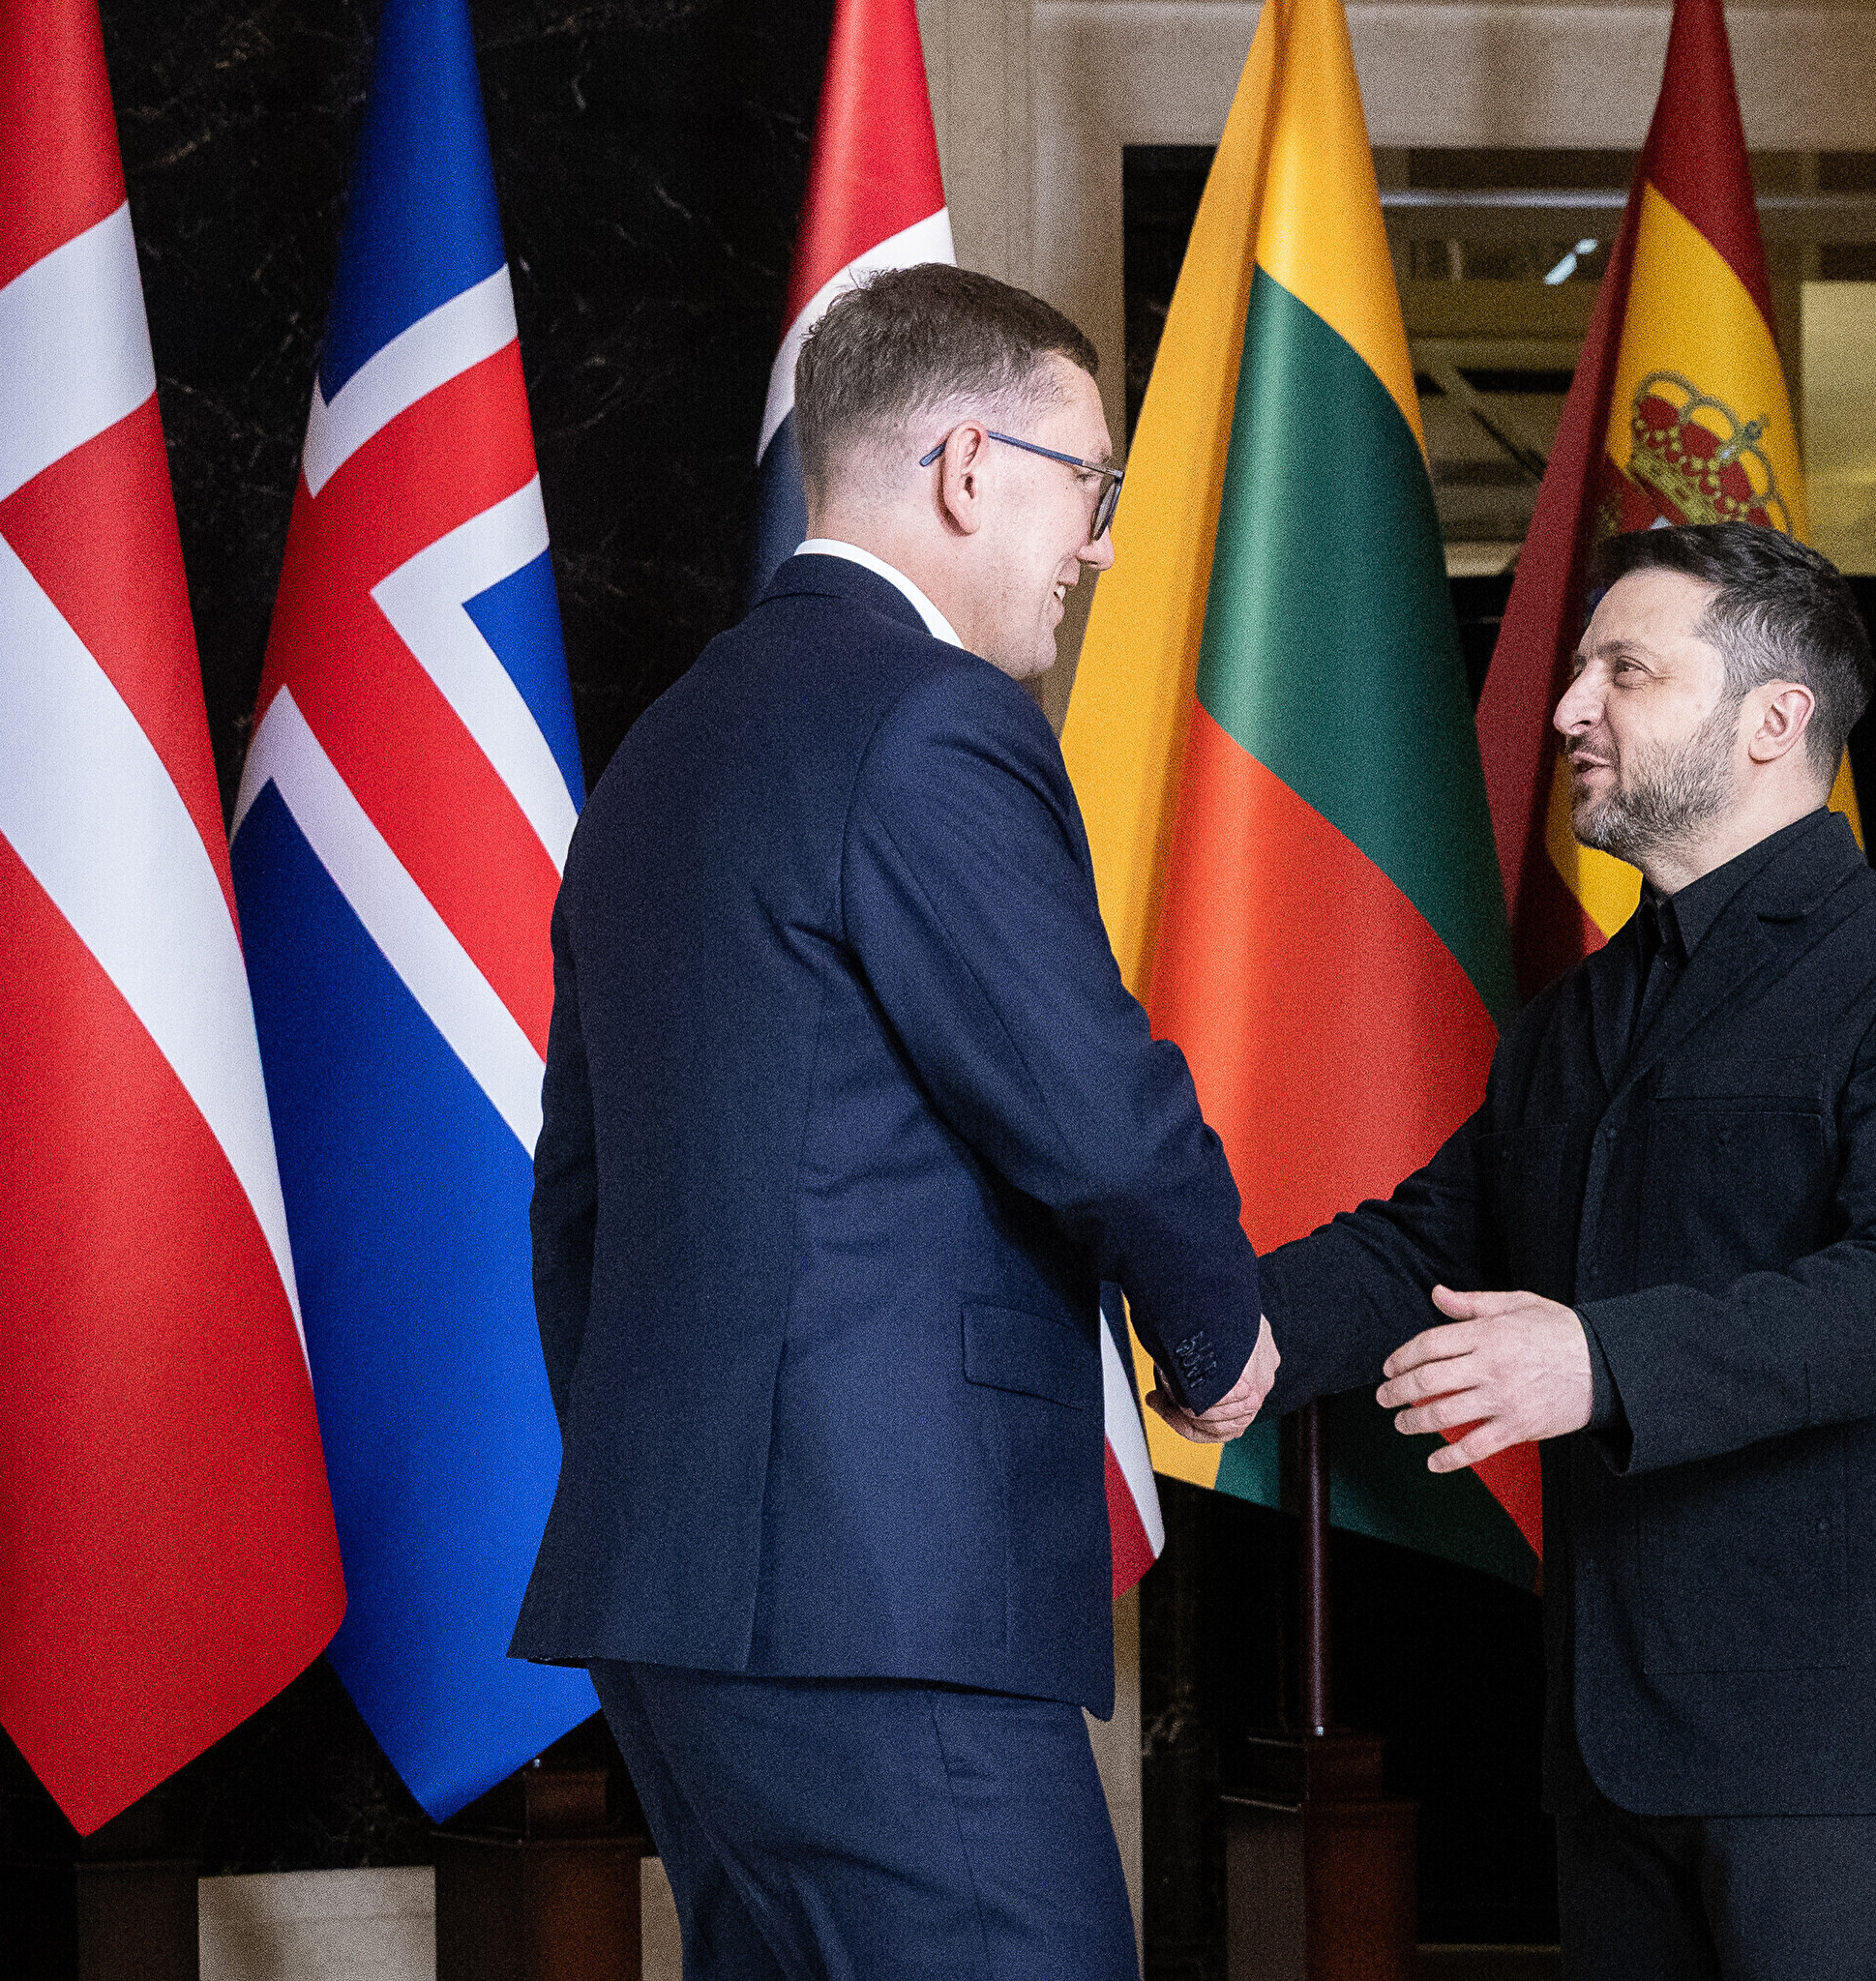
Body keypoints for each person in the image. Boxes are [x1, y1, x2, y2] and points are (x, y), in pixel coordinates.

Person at [513, 264, 1277, 1981]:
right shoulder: (933, 721)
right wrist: (1215, 1329)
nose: (1099, 544)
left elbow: (578, 1203)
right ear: (969, 468)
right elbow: (1097, 1108)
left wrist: (692, 1467)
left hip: (683, 1595)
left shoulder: (660, 753)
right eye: (1090, 484)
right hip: (883, 1593)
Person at [1174, 521, 1876, 1980]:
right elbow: (1426, 1244)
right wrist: (1233, 1328)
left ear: (1773, 720)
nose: (1571, 708)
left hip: (1840, 1761)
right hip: (1611, 1746)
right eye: (1580, 671)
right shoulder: (1574, 1016)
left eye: (1625, 672)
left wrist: (1597, 1358)